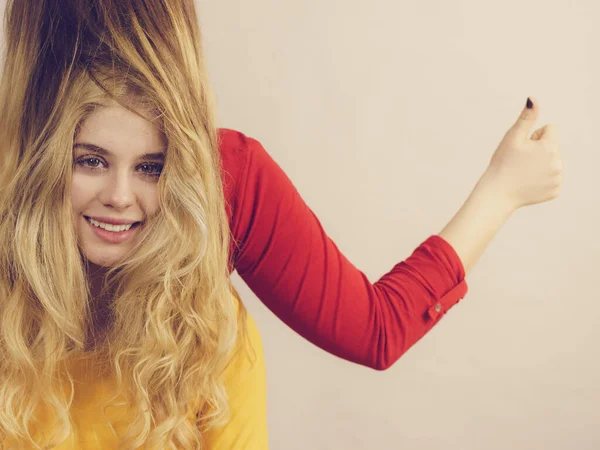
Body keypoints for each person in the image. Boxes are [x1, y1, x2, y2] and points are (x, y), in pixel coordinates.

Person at [0, 0, 563, 449]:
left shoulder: (220, 180)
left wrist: (502, 190)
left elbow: (374, 329)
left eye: (152, 167)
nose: (121, 196)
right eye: (89, 159)